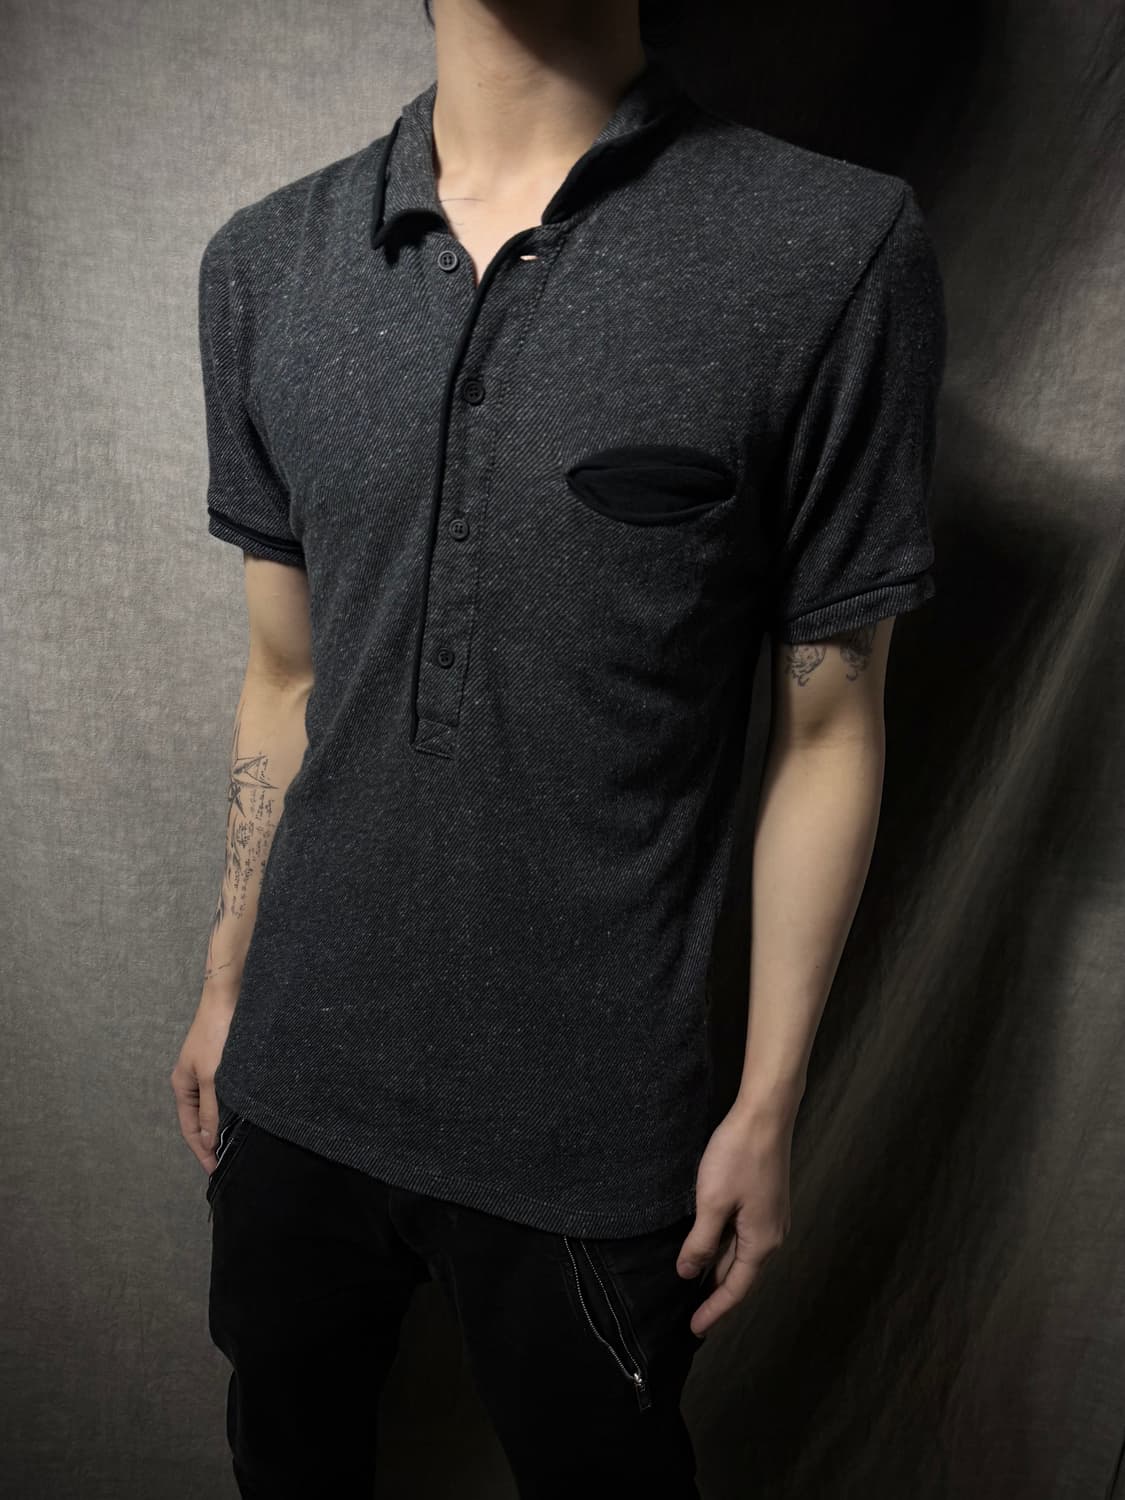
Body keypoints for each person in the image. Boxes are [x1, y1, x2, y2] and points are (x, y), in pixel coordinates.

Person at [169, 0, 946, 1493]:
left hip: (592, 1123)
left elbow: (830, 723)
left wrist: (768, 1100)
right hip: (294, 1080)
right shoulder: (264, 264)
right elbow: (285, 669)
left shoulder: (831, 250)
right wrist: (224, 979)